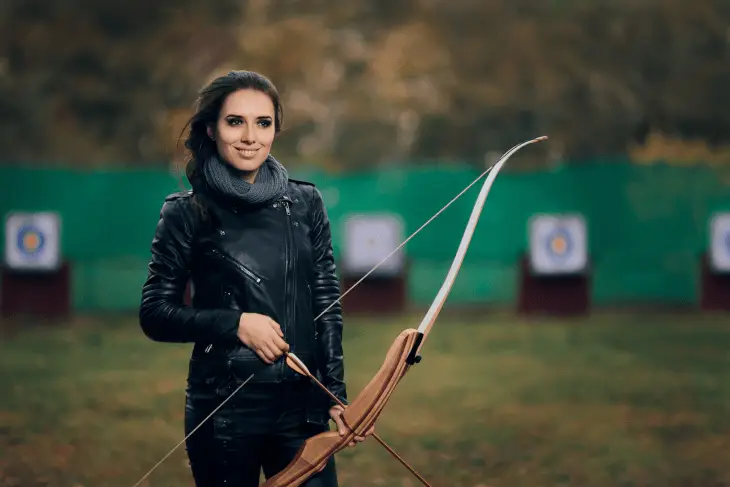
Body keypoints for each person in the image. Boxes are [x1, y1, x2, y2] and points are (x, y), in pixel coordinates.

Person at [139, 70, 367, 487]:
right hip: (225, 411)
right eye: (235, 121)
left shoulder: (305, 202)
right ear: (212, 128)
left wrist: (334, 393)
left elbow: (326, 301)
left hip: (302, 410)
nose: (250, 136)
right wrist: (236, 323)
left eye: (263, 123)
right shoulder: (185, 212)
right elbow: (155, 313)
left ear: (276, 129)